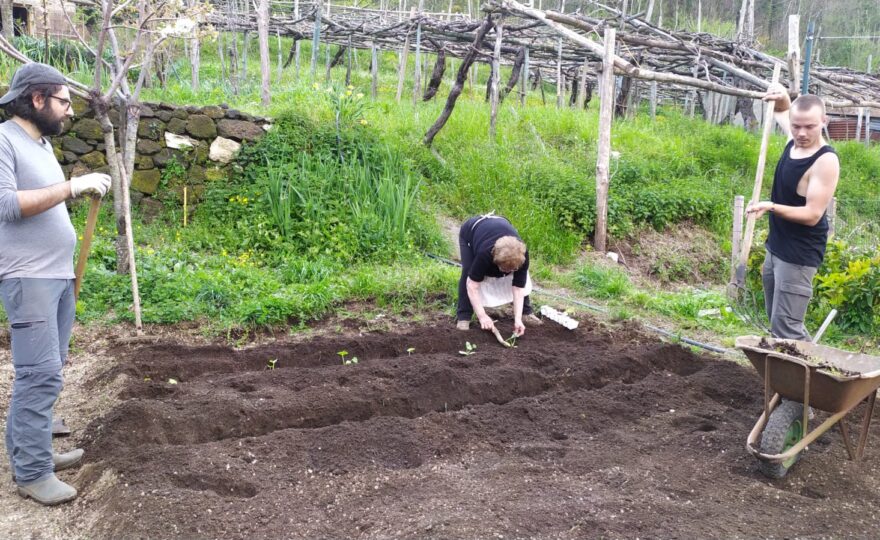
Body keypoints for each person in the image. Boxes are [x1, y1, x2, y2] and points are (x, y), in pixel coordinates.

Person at [0, 62, 111, 505]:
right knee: (39, 375)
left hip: (56, 275)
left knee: (48, 369)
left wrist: (76, 188)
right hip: (29, 277)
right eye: (64, 101)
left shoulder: (41, 144)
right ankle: (32, 474)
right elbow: (7, 206)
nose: (69, 111)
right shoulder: (4, 141)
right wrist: (72, 187)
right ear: (38, 98)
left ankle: (33, 452)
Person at [746, 85, 840, 340]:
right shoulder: (794, 142)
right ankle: (817, 372)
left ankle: (811, 379)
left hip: (799, 254)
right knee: (779, 320)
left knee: (786, 328)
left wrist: (771, 207)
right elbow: (783, 110)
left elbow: (812, 214)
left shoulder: (824, 161)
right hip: (776, 246)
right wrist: (784, 98)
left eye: (809, 127)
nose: (801, 133)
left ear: (824, 121)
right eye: (796, 126)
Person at [456, 213, 542, 336]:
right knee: (469, 272)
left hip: (500, 225)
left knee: (519, 277)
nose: (507, 274)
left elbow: (518, 287)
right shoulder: (484, 254)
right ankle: (464, 316)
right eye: (504, 269)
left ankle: (525, 312)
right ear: (495, 261)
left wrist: (517, 319)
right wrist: (482, 316)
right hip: (471, 231)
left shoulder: (522, 255)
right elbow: (472, 285)